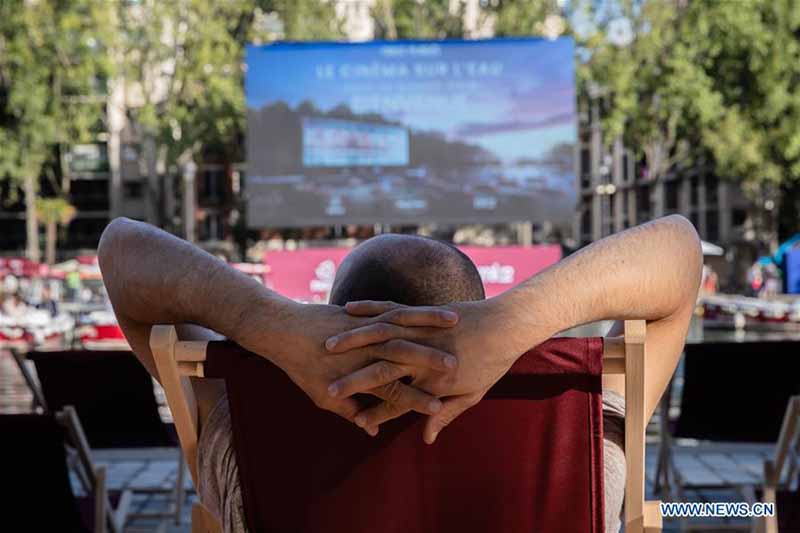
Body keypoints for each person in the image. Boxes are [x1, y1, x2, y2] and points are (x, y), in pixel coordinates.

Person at [98, 215, 702, 533]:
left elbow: (123, 250)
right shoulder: (581, 448)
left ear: (326, 330)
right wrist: (509, 325)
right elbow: (679, 249)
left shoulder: (243, 436)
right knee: (710, 514)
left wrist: (274, 324)